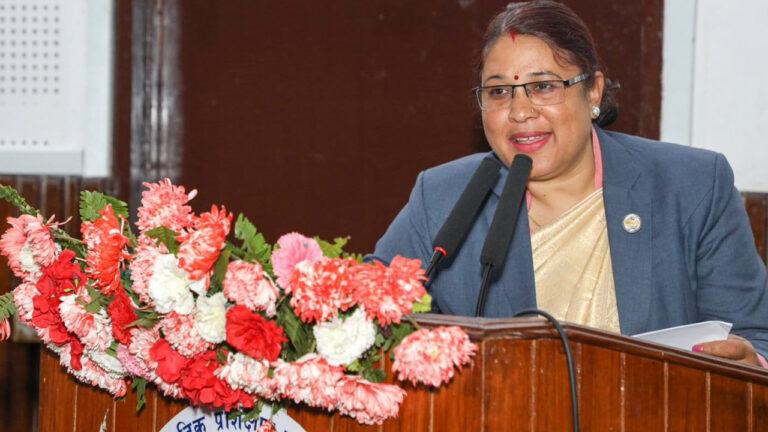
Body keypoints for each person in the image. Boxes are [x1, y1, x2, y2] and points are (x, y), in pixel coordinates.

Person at [370, 0, 768, 367]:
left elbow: (756, 338)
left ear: (593, 90)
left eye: (543, 86)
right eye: (499, 91)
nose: (520, 111)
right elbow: (365, 318)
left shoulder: (691, 187)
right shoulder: (446, 199)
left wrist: (751, 365)